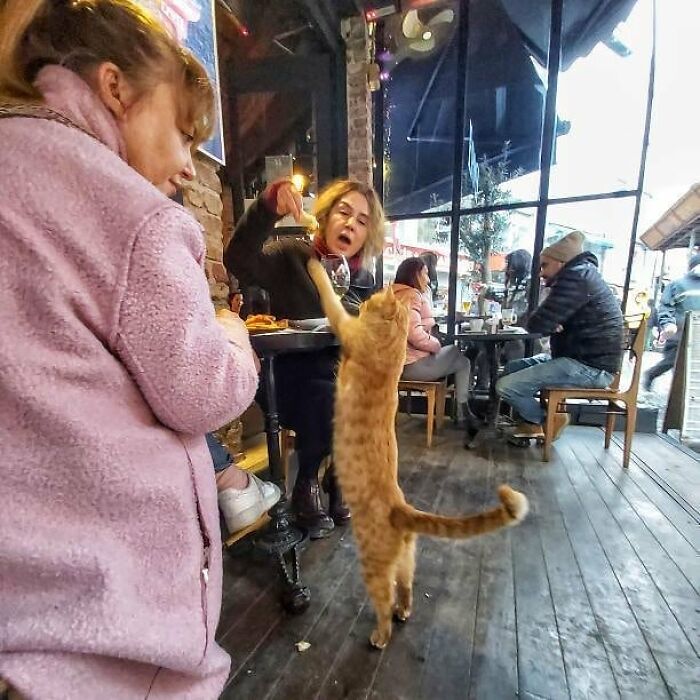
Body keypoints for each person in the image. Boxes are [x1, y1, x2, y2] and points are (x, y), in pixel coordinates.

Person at [0, 1, 259, 696]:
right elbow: (199, 391)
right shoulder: (136, 214)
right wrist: (234, 337)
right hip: (111, 623)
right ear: (115, 88)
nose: (186, 165)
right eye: (182, 132)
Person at [225, 179, 385, 538]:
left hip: (332, 377)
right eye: (344, 212)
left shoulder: (360, 280)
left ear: (367, 234)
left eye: (362, 220)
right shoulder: (291, 256)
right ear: (326, 216)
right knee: (332, 397)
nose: (350, 224)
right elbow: (237, 258)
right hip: (284, 376)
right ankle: (306, 482)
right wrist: (268, 207)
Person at [496, 231, 624, 440]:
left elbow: (538, 322)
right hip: (578, 358)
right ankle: (530, 424)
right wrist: (551, 323)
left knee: (506, 386)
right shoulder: (582, 274)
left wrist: (550, 323)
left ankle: (546, 420)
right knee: (510, 369)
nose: (540, 273)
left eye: (545, 265)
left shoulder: (577, 276)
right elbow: (544, 322)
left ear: (561, 262)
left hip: (590, 367)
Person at [391, 257, 479, 437]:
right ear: (415, 274)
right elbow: (413, 333)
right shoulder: (411, 295)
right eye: (425, 273)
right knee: (457, 354)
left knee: (461, 360)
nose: (428, 278)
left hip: (394, 364)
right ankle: (463, 412)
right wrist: (436, 344)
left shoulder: (391, 294)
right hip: (412, 365)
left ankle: (461, 411)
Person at [643, 253, 700, 390]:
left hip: (696, 334)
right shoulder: (678, 285)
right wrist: (668, 324)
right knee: (675, 362)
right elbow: (665, 307)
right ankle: (651, 374)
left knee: (687, 369)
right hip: (679, 334)